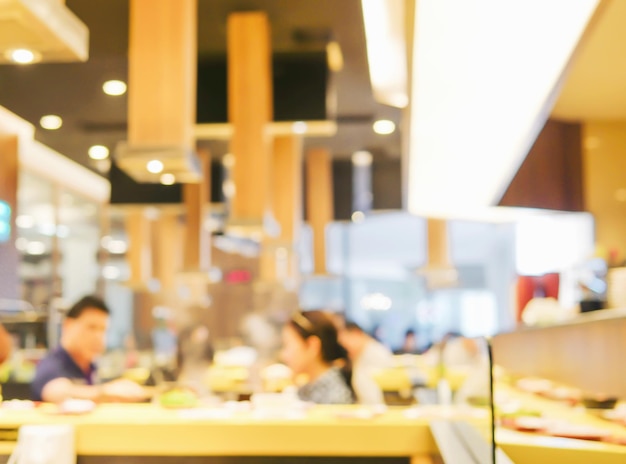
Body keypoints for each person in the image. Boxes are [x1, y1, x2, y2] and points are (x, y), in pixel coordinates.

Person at [31, 295, 147, 403]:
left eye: (103, 330)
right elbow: (54, 391)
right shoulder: (54, 363)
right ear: (68, 325)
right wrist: (105, 391)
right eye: (91, 327)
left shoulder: (89, 366)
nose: (98, 337)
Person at [280, 310, 353, 404]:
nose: (283, 355)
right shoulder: (308, 388)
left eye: (287, 345)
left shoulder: (334, 397)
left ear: (312, 346)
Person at [338, 321, 394, 404]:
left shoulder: (376, 354)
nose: (346, 350)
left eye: (346, 345)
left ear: (357, 333)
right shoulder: (361, 355)